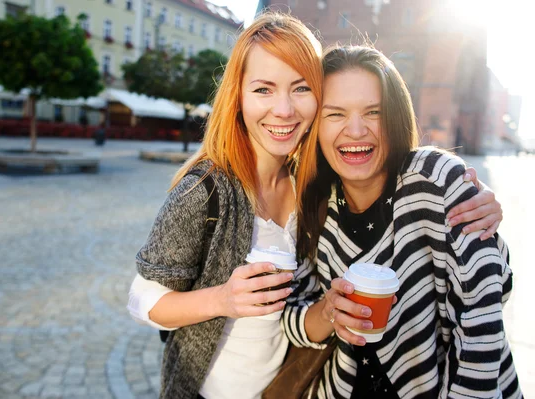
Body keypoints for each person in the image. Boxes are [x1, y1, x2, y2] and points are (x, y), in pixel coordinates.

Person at [129, 13, 503, 399]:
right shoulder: (207, 191)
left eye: (300, 88)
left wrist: (475, 206)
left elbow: (486, 294)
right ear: (237, 97)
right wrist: (223, 299)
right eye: (263, 90)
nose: (284, 110)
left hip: (283, 387)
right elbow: (141, 299)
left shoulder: (310, 188)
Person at [284, 45, 521, 399]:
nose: (355, 129)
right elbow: (293, 321)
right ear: (315, 125)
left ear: (395, 117)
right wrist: (329, 312)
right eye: (335, 114)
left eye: (373, 112)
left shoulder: (436, 180)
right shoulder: (313, 208)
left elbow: (483, 313)